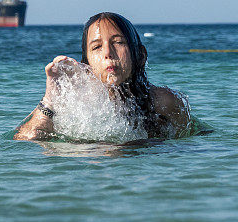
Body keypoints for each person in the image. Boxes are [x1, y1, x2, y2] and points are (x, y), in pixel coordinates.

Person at [14, 12, 191, 141]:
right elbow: (27, 140)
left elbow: (189, 144)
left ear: (140, 55)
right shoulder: (75, 107)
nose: (107, 52)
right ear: (87, 65)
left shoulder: (163, 101)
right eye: (97, 47)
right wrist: (50, 98)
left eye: (118, 42)